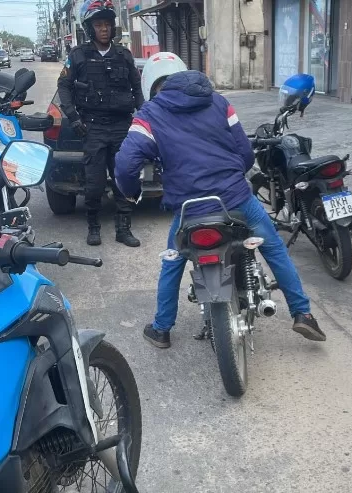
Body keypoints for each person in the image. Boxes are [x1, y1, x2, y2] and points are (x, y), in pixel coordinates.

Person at [115, 53, 326, 349]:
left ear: (150, 83)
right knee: (275, 248)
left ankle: (162, 328)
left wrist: (129, 193)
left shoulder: (149, 115)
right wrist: (230, 180)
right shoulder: (218, 101)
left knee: (172, 263)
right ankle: (302, 313)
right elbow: (245, 153)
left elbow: (125, 164)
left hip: (189, 210)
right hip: (236, 200)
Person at [57, 0, 144, 247]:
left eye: (107, 24)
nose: (104, 29)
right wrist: (73, 117)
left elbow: (137, 90)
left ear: (113, 27)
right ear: (90, 27)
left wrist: (144, 117)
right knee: (94, 184)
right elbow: (63, 86)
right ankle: (93, 226)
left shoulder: (124, 56)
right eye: (99, 25)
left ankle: (123, 229)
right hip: (93, 127)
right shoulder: (78, 56)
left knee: (123, 179)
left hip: (121, 127)